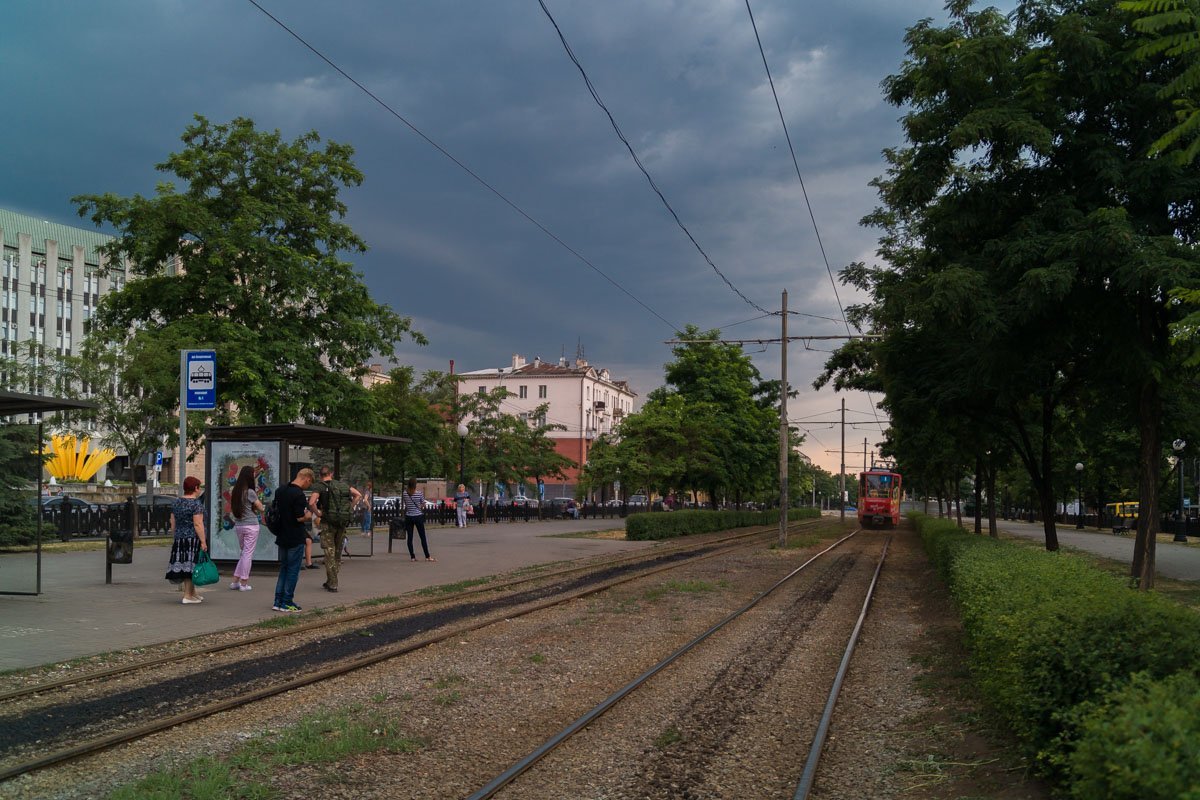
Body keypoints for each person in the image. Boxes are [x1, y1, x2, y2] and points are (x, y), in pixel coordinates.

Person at [310, 465, 361, 593]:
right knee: (337, 553)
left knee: (329, 553)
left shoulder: (319, 486)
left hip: (328, 523)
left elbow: (311, 503)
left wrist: (319, 513)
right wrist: (349, 508)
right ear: (331, 474)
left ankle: (333, 583)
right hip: (341, 523)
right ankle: (331, 580)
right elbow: (358, 495)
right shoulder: (343, 485)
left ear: (320, 475)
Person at [272, 468, 315, 613]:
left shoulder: (281, 490)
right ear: (307, 478)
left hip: (282, 534)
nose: (308, 486)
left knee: (284, 568)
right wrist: (308, 515)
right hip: (295, 536)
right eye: (309, 483)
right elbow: (299, 517)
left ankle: (277, 601)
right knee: (293, 571)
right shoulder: (298, 494)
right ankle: (287, 602)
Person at [165, 476, 207, 604]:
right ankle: (188, 595)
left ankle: (193, 593)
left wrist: (177, 535)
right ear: (195, 488)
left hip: (180, 539)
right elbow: (198, 524)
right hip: (192, 539)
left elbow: (172, 522)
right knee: (191, 566)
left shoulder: (176, 502)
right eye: (199, 487)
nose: (199, 490)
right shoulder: (196, 504)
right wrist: (203, 541)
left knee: (185, 565)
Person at [229, 464, 264, 591]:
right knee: (248, 555)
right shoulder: (250, 492)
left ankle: (235, 582)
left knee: (244, 553)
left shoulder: (236, 491)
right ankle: (244, 583)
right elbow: (260, 507)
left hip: (239, 525)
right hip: (251, 526)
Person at [402, 478, 435, 561]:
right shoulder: (419, 493)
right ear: (415, 485)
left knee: (410, 537)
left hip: (409, 516)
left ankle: (412, 557)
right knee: (422, 537)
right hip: (418, 516)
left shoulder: (405, 493)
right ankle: (427, 556)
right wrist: (420, 506)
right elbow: (423, 504)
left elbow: (405, 504)